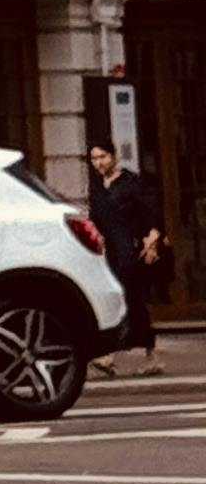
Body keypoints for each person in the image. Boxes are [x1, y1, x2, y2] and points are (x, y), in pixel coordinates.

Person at [86, 140, 168, 370]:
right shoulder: (97, 187)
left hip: (129, 250)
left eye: (103, 157)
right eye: (94, 159)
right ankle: (150, 356)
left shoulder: (131, 183)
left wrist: (152, 242)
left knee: (124, 298)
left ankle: (111, 354)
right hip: (107, 251)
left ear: (114, 157)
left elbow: (151, 212)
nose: (99, 163)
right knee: (126, 301)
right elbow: (95, 220)